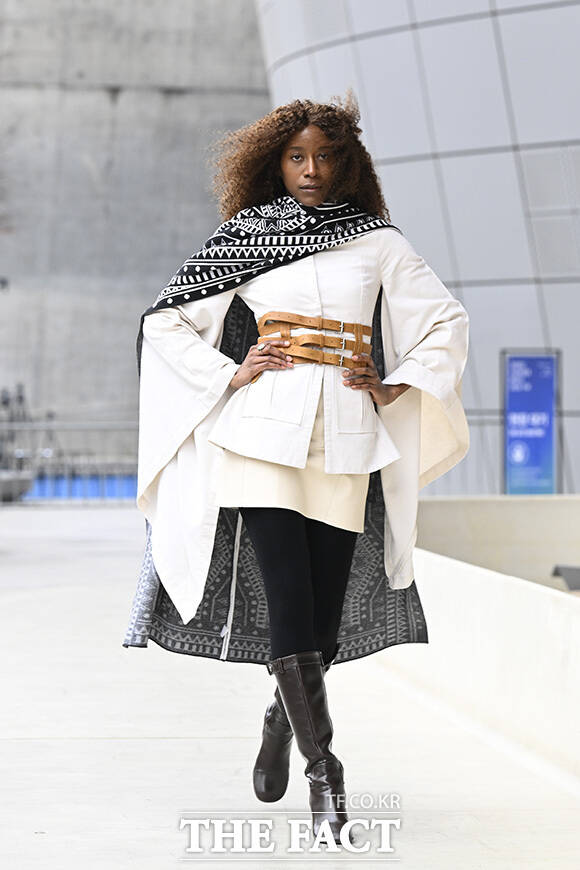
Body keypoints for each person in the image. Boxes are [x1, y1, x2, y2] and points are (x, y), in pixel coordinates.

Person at [122, 92, 470, 846]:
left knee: (323, 625)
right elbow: (166, 320)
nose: (311, 169)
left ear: (348, 164)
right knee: (288, 602)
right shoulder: (247, 235)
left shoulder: (378, 242)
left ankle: (283, 716)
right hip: (259, 441)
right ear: (274, 164)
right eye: (296, 157)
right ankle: (326, 772)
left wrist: (396, 382)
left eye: (326, 156)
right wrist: (231, 371)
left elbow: (446, 320)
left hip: (347, 441)